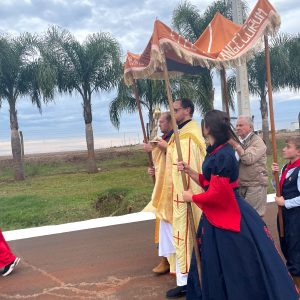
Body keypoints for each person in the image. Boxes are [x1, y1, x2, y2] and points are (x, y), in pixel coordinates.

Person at [179, 110, 299, 299]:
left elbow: (219, 193)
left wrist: (192, 198)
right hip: (218, 212)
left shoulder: (224, 154)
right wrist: (190, 172)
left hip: (228, 210)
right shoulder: (217, 151)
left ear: (208, 128)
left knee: (235, 261)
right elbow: (210, 181)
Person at [166, 98, 206, 299]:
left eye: (176, 109)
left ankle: (190, 281)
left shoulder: (189, 136)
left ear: (188, 110)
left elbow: (187, 169)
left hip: (186, 195)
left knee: (187, 236)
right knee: (182, 237)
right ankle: (186, 279)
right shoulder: (180, 132)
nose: (172, 113)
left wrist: (185, 196)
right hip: (178, 195)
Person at [143, 112, 174, 275]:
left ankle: (170, 260)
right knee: (162, 227)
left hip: (172, 189)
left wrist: (155, 148)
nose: (160, 124)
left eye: (162, 122)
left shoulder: (173, 139)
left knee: (169, 227)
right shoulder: (163, 139)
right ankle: (166, 259)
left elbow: (174, 158)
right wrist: (153, 171)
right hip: (163, 187)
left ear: (170, 123)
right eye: (159, 122)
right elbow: (161, 163)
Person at [272, 136, 300, 291]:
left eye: (288, 146)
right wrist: (275, 177)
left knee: (296, 251)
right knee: (286, 247)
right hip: (283, 216)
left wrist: (286, 203)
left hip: (296, 217)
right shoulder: (286, 168)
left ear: (298, 151)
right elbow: (279, 188)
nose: (284, 149)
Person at [228, 115, 268, 216]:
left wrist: (236, 145)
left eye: (241, 125)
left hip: (255, 186)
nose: (237, 128)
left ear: (250, 127)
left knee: (253, 217)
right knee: (245, 218)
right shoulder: (241, 141)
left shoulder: (257, 142)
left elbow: (248, 159)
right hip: (242, 185)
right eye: (236, 125)